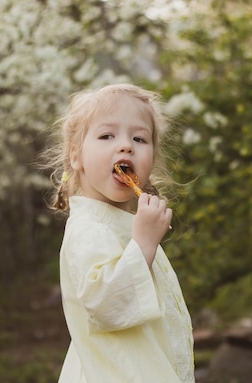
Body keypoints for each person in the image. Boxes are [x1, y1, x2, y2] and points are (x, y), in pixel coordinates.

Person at [45, 83, 195, 383]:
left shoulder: (123, 224)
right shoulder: (89, 229)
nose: (126, 146)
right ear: (76, 156)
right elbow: (107, 306)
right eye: (106, 136)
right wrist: (142, 245)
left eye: (140, 138)